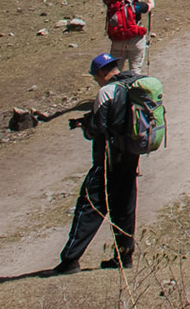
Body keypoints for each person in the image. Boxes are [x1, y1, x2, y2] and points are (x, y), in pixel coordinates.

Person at [54, 53, 140, 274]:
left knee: (89, 205)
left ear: (102, 73)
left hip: (108, 160)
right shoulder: (133, 85)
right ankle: (124, 256)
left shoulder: (106, 92)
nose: (96, 81)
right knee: (124, 207)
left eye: (95, 77)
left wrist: (85, 126)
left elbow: (97, 129)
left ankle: (70, 259)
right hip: (130, 158)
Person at [103, 0, 152, 73]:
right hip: (135, 41)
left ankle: (115, 86)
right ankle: (133, 86)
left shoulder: (113, 5)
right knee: (135, 69)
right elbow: (151, 5)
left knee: (115, 70)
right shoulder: (135, 5)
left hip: (117, 41)